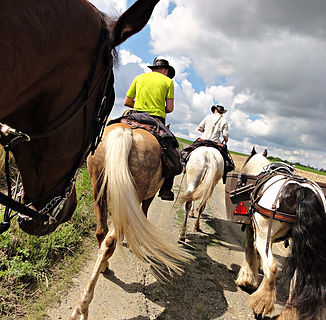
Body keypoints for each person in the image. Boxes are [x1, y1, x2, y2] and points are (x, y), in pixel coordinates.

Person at [124, 57, 177, 201]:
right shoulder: (168, 82)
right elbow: (170, 108)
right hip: (156, 119)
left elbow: (127, 101)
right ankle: (166, 190)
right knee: (172, 153)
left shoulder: (139, 78)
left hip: (135, 116)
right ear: (165, 71)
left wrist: (140, 106)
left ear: (153, 68)